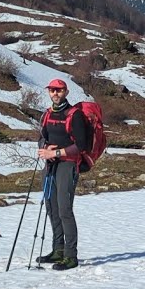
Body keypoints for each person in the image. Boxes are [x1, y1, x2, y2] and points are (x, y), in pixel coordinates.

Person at [36, 78, 90, 271]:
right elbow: (42, 137)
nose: (55, 93)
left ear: (66, 92)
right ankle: (57, 250)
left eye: (59, 90)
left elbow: (82, 145)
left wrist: (55, 153)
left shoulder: (74, 115)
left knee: (65, 209)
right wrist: (44, 147)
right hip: (50, 166)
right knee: (51, 207)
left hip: (68, 165)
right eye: (52, 90)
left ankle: (70, 256)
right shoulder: (47, 114)